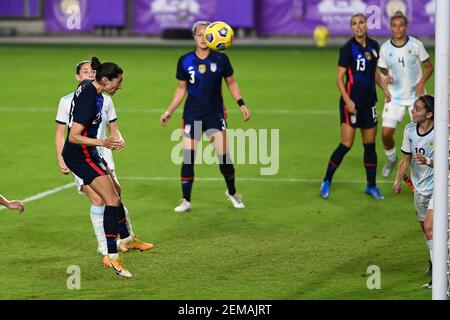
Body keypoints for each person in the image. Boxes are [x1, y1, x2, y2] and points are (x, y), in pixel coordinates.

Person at [62, 57, 151, 278]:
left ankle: (128, 240)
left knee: (116, 193)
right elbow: (73, 136)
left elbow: (89, 80)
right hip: (80, 155)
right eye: (117, 82)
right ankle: (112, 256)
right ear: (104, 80)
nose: (119, 86)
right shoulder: (89, 101)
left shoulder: (87, 86)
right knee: (110, 200)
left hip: (89, 153)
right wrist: (103, 142)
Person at [160, 21, 251, 212]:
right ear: (194, 37)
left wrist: (241, 103)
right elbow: (181, 89)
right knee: (188, 158)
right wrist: (169, 111)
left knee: (224, 157)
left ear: (212, 36)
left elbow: (231, 83)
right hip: (192, 114)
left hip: (215, 114)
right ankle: (186, 200)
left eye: (206, 34)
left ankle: (232, 193)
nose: (203, 38)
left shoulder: (221, 59)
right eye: (199, 34)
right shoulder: (185, 60)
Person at [320, 13, 391, 200]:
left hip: (369, 103)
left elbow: (373, 72)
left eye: (361, 23)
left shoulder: (375, 46)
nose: (358, 26)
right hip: (351, 103)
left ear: (366, 25)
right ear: (351, 28)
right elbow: (339, 78)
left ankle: (371, 186)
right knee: (346, 144)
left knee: (369, 145)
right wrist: (348, 100)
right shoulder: (347, 48)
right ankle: (326, 180)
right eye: (354, 24)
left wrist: (384, 89)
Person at [378, 11, 434, 177]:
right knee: (386, 134)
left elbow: (429, 67)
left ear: (406, 27)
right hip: (394, 98)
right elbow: (381, 69)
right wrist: (385, 79)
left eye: (401, 25)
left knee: (421, 136)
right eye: (394, 26)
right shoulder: (385, 48)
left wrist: (422, 82)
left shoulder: (416, 45)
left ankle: (423, 170)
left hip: (416, 99)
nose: (398, 29)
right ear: (391, 28)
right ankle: (391, 158)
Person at [392, 95, 435, 288]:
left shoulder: (441, 133)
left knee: (429, 228)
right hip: (419, 188)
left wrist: (429, 162)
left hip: (439, 187)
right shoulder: (410, 130)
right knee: (426, 232)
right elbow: (406, 159)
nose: (412, 111)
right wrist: (398, 180)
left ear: (429, 113)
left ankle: (441, 274)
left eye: (417, 109)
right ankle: (435, 261)